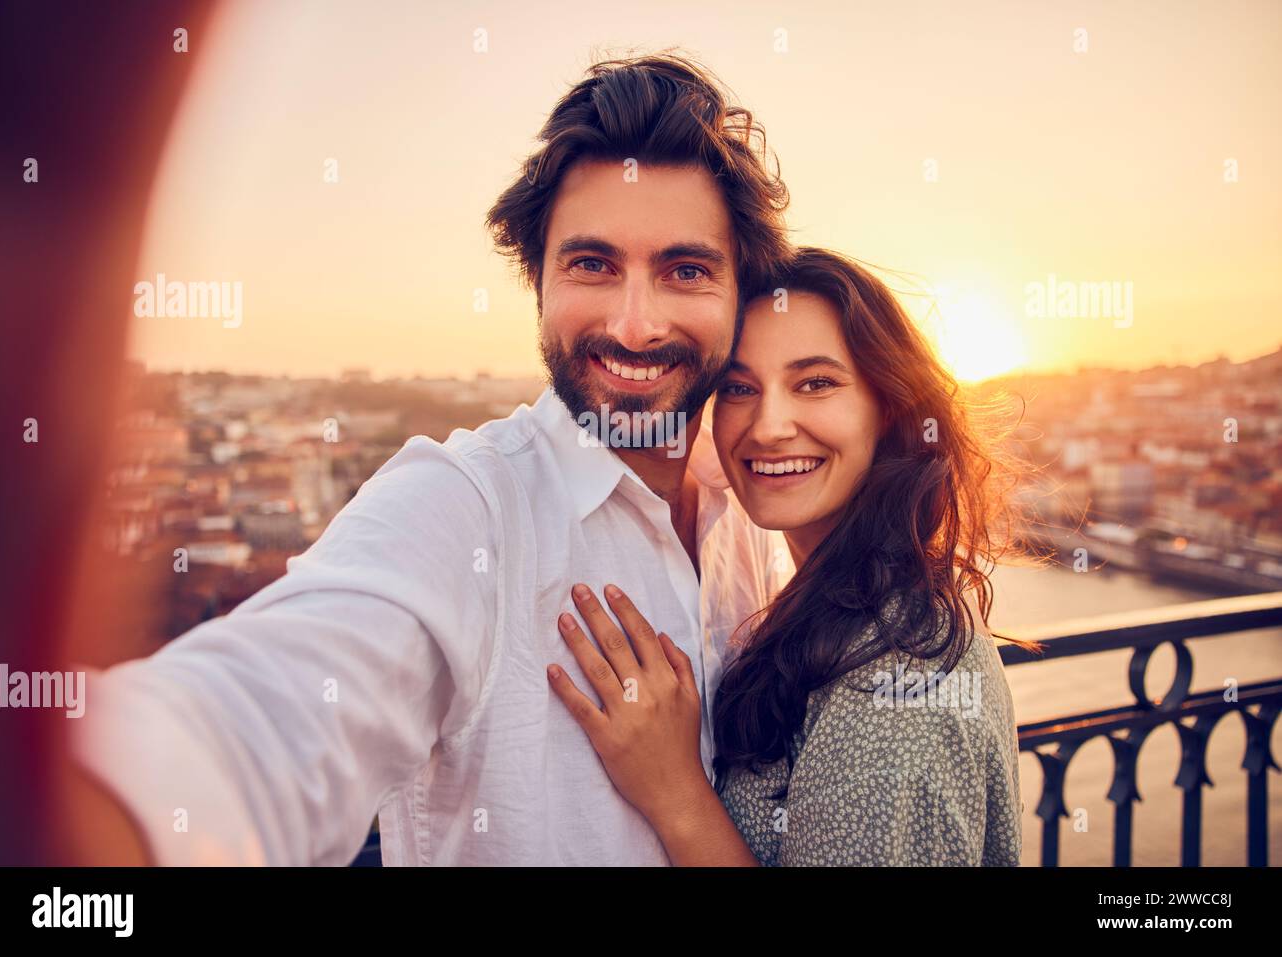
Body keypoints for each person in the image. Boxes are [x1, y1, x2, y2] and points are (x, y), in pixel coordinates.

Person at [67, 52, 797, 865]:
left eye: (685, 270)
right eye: (592, 265)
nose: (634, 325)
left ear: (744, 294)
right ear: (538, 280)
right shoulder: (466, 507)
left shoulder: (756, 517)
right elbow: (258, 724)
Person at [547, 247, 1037, 865]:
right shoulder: (851, 602)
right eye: (738, 388)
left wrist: (674, 793)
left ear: (888, 408)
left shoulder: (897, 684)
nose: (770, 425)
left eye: (816, 383)